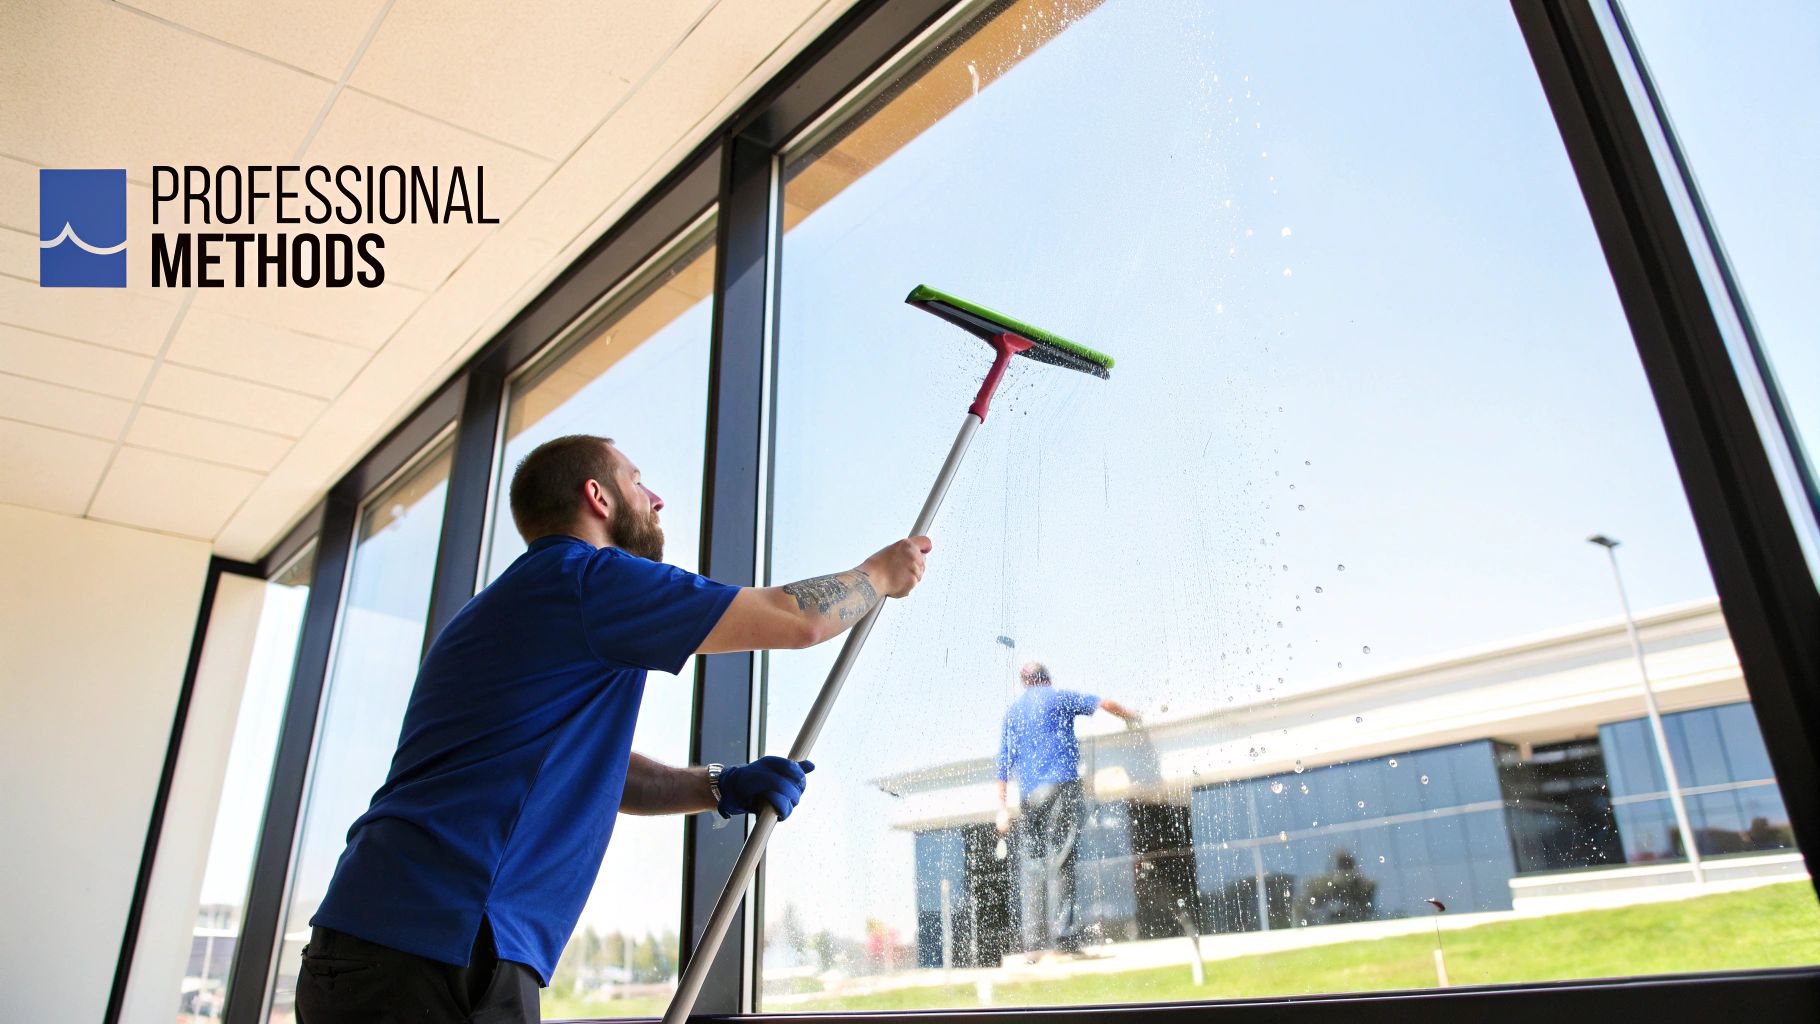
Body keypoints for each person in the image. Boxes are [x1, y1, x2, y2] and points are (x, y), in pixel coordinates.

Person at [296, 434, 931, 1023]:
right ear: (596, 497)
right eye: (636, 481)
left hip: (371, 941)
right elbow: (795, 620)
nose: (656, 499)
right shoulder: (588, 579)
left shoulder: (510, 607)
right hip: (447, 942)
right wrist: (878, 575)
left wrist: (720, 785)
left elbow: (592, 771)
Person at [994, 661, 1140, 959]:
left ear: (1024, 683)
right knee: (1062, 862)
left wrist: (1001, 809)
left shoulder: (1013, 713)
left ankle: (1034, 946)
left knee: (1033, 867)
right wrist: (1131, 717)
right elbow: (1104, 703)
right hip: (1060, 785)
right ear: (1046, 679)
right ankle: (1065, 941)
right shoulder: (1058, 697)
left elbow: (1003, 764)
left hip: (1029, 796)